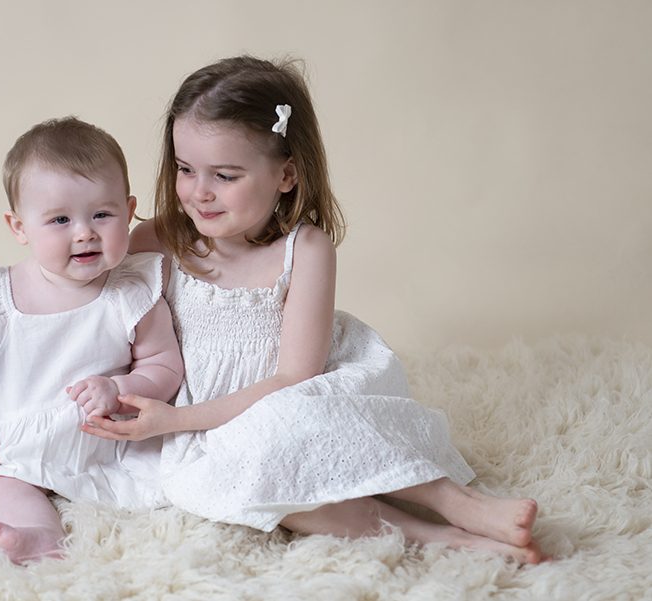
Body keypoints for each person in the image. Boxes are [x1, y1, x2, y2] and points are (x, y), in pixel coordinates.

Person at [83, 56, 544, 564]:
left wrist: (177, 419)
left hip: (291, 393)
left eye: (226, 175)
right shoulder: (156, 240)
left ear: (286, 174)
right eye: (186, 170)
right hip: (204, 418)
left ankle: (456, 502)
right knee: (265, 484)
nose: (199, 192)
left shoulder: (304, 249)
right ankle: (432, 535)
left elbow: (294, 377)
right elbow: (98, 312)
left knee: (295, 427)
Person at [0, 117, 183, 564]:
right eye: (60, 219)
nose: (84, 232)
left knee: (162, 480)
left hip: (100, 442)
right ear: (19, 226)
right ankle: (36, 535)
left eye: (102, 214)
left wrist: (120, 389)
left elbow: (164, 367)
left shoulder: (132, 295)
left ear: (128, 210)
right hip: (14, 441)